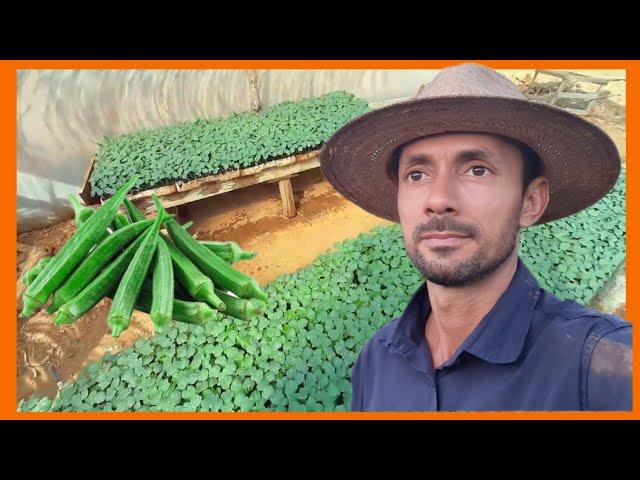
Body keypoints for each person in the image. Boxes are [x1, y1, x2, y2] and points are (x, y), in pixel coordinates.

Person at [319, 63, 631, 411]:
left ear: (530, 202)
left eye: (476, 170)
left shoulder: (601, 368)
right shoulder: (376, 360)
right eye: (417, 174)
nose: (438, 200)